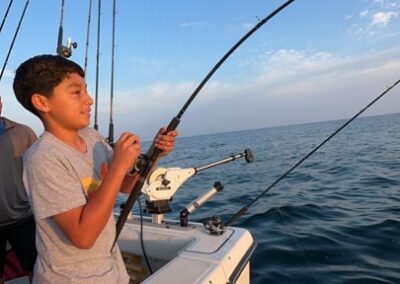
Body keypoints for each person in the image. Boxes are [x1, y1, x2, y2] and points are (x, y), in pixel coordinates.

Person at [13, 54, 178, 283]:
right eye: (76, 92)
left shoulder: (91, 137)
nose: (89, 100)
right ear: (42, 103)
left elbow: (125, 186)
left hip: (110, 268)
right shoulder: (43, 158)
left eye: (86, 90)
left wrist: (153, 155)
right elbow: (83, 236)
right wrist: (120, 165)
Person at [0, 96, 37, 283]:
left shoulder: (23, 132)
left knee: (36, 269)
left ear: (0, 103)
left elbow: (41, 172)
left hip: (24, 219)